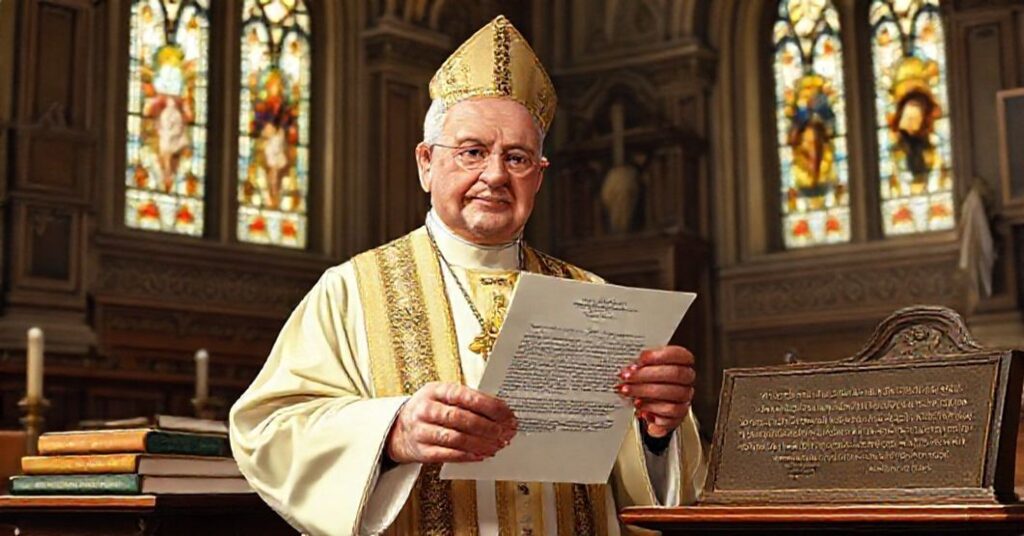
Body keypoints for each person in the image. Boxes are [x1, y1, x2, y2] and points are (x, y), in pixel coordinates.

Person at [230, 15, 706, 536]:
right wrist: (391, 433)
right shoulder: (349, 292)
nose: (496, 175)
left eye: (517, 157)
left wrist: (659, 429)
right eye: (473, 152)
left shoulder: (593, 298)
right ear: (426, 164)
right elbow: (267, 433)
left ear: (539, 177)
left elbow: (655, 488)